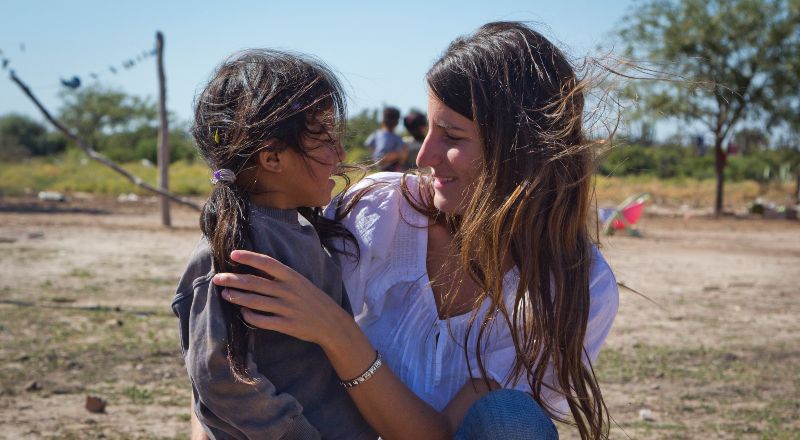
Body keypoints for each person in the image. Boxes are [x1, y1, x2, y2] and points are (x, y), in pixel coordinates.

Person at [211, 21, 619, 440]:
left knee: (512, 420)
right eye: (428, 131)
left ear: (523, 151)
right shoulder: (375, 211)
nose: (424, 155)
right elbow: (229, 354)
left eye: (452, 136)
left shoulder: (576, 285)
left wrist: (337, 332)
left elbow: (443, 433)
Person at [171, 49, 377, 439]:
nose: (341, 155)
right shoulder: (239, 248)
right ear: (272, 158)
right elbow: (219, 373)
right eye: (326, 138)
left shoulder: (296, 229)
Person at [365, 106, 408, 171]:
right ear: (397, 122)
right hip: (392, 168)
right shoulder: (397, 139)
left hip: (379, 165)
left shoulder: (376, 134)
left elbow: (369, 145)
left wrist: (375, 157)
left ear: (383, 120)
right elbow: (402, 156)